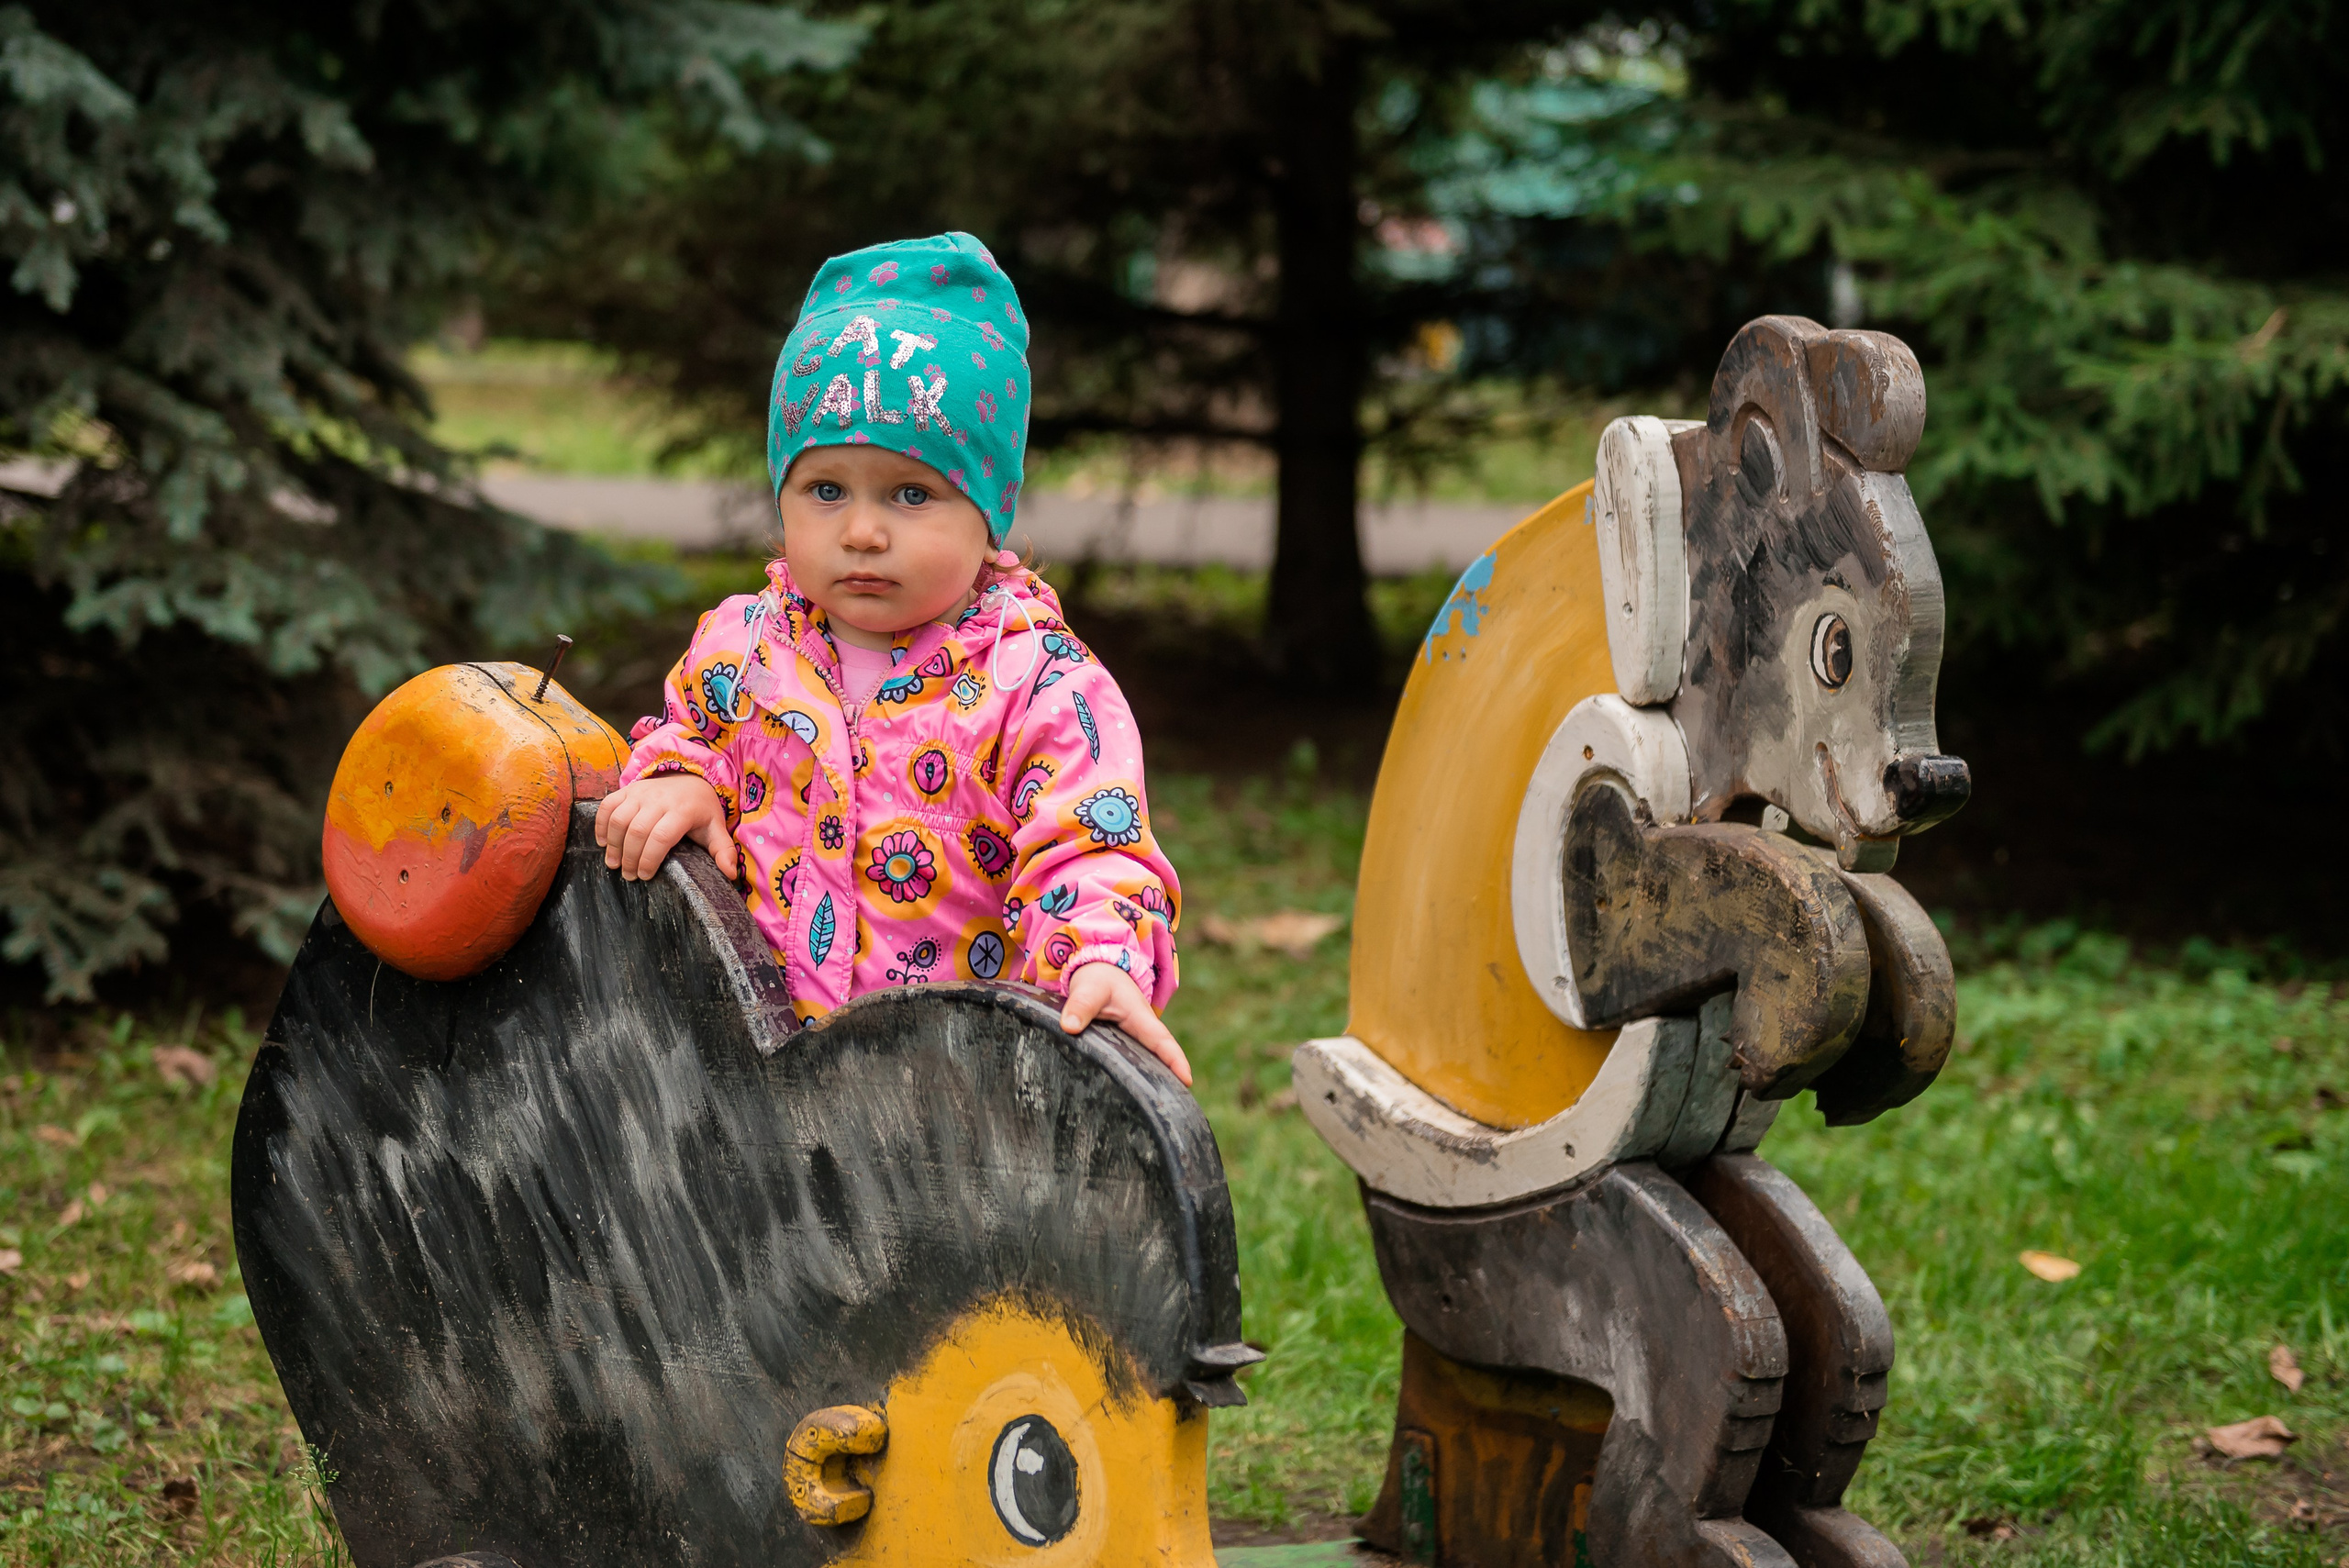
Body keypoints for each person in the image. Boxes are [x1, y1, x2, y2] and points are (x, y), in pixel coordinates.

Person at [593, 232, 1190, 1084]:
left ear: (988, 513)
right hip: (752, 1080)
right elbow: (686, 733)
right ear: (783, 496)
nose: (863, 531)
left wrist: (1098, 957)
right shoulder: (742, 647)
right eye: (826, 489)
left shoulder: (1039, 686)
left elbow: (1091, 845)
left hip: (953, 1097)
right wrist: (681, 778)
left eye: (912, 494)